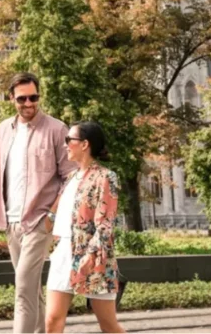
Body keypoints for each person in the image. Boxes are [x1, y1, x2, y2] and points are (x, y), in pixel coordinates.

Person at [0, 72, 77, 333]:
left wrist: (51, 215)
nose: (29, 104)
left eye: (34, 97)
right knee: (32, 288)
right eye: (22, 99)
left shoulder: (56, 129)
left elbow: (70, 176)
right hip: (10, 221)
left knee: (23, 289)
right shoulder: (4, 130)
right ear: (11, 99)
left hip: (39, 221)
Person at [45, 122, 124, 333]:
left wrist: (89, 255)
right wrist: (50, 219)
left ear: (85, 144)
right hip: (63, 252)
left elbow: (106, 223)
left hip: (94, 256)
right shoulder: (71, 177)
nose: (65, 145)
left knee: (108, 325)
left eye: (69, 140)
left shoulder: (106, 177)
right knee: (52, 320)